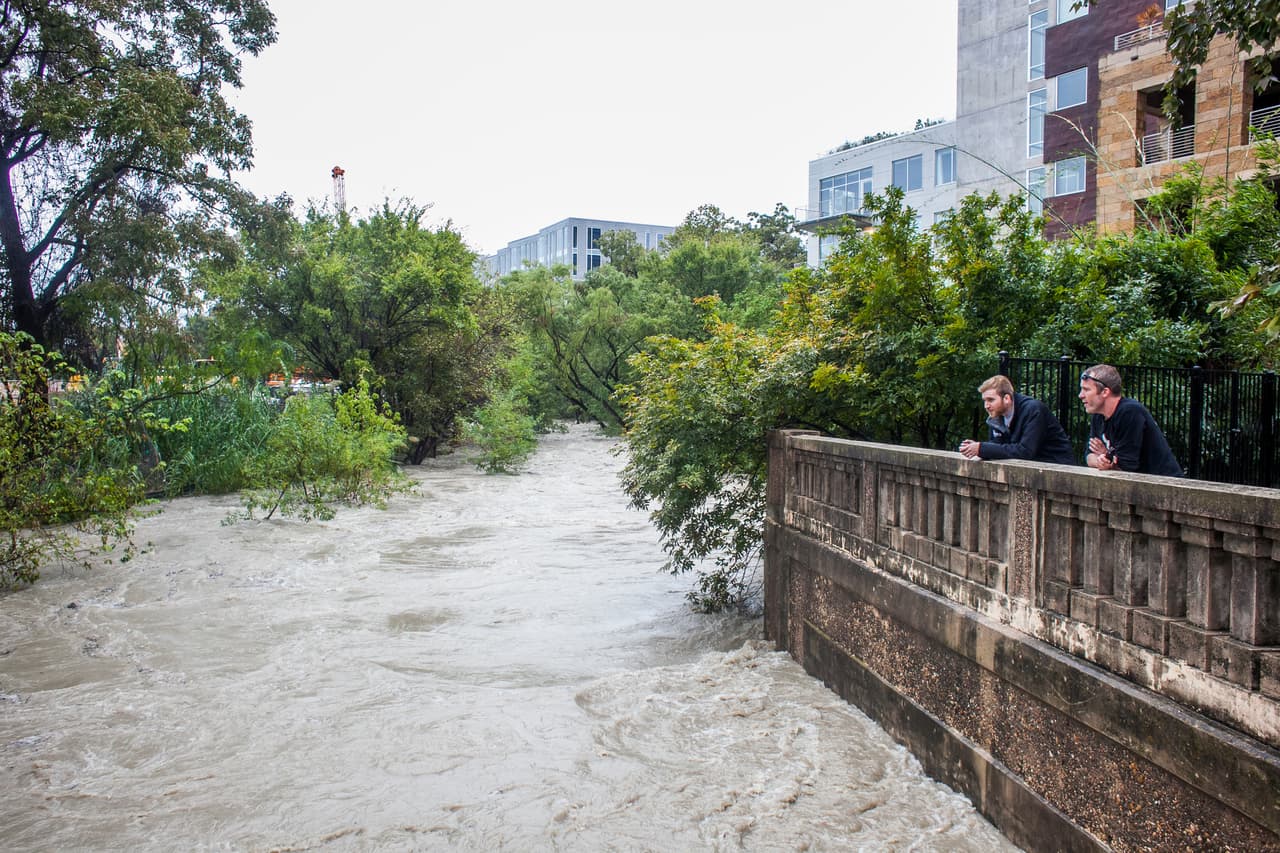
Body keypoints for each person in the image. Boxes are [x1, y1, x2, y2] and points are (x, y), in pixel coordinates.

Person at [1079, 364, 1183, 476]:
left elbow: (1127, 466)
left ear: (1105, 392)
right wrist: (1104, 461)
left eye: (1086, 390)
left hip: (1162, 484)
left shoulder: (1129, 412)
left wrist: (1107, 458)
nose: (1081, 395)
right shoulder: (1098, 415)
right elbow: (1089, 457)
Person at [958, 375, 1075, 464]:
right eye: (984, 401)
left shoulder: (1033, 410)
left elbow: (1025, 451)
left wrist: (982, 448)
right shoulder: (997, 416)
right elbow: (1000, 445)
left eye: (991, 400)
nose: (986, 406)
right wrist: (977, 447)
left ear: (1007, 398)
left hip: (1057, 468)